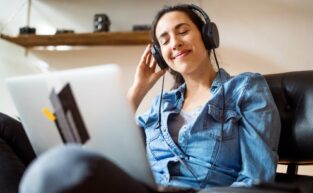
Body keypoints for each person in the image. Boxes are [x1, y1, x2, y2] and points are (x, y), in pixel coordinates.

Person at [19, 4, 281, 193]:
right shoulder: (160, 105)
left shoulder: (244, 88)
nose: (174, 43)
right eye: (164, 40)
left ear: (207, 35)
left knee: (61, 165)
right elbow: (103, 145)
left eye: (183, 31)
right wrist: (138, 88)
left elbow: (256, 179)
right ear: (159, 54)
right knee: (5, 128)